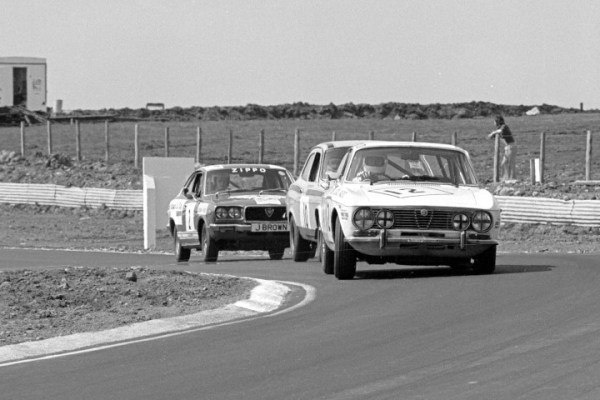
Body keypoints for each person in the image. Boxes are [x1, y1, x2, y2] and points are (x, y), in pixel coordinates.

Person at [488, 115, 517, 182]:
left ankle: (513, 179)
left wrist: (493, 133)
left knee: (511, 163)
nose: (494, 123)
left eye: (494, 121)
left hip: (511, 146)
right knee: (504, 163)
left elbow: (500, 131)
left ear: (498, 121)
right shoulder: (499, 129)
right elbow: (496, 135)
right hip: (507, 147)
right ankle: (506, 178)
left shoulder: (504, 126)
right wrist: (492, 135)